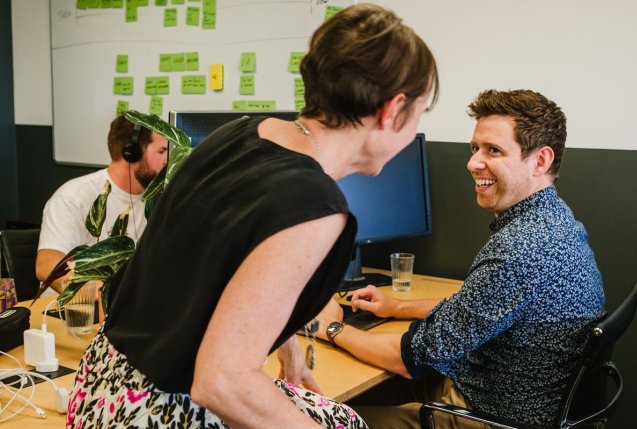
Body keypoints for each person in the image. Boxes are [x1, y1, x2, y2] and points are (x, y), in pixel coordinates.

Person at [66, 4, 439, 429]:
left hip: (102, 386)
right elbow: (221, 382)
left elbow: (218, 269)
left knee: (338, 416)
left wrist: (287, 344)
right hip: (156, 410)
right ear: (392, 110)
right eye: (419, 114)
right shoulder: (315, 208)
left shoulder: (241, 134)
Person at [316, 89, 606, 428]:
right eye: (475, 148)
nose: (472, 162)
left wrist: (330, 327)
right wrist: (396, 307)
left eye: (493, 150)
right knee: (338, 394)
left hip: (494, 416)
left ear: (540, 161)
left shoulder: (519, 249)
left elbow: (408, 359)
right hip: (503, 391)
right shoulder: (556, 220)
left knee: (319, 419)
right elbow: (474, 309)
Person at [36, 115, 168, 292]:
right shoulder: (74, 197)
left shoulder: (157, 198)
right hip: (72, 314)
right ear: (131, 153)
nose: (168, 159)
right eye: (161, 151)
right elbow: (46, 264)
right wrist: (93, 290)